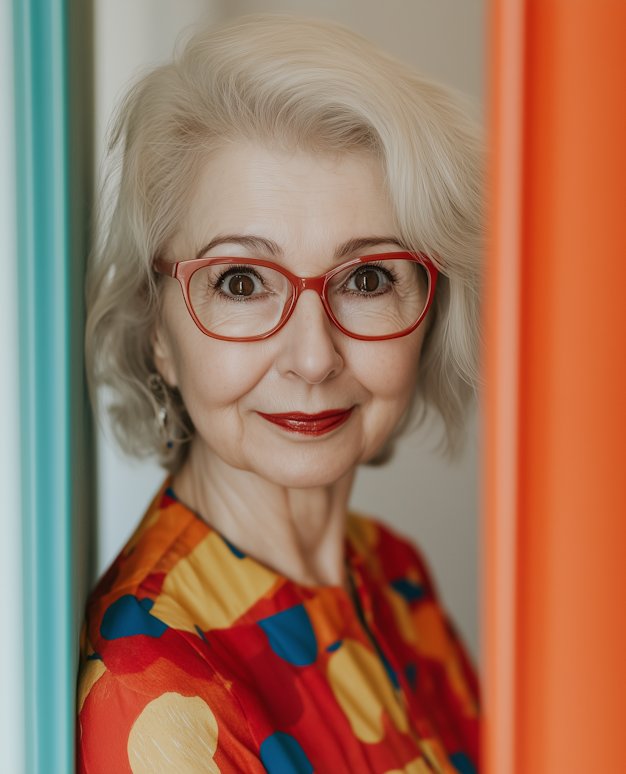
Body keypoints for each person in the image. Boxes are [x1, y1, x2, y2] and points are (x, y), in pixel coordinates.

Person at [78, 15, 482, 774]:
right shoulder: (155, 682)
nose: (313, 356)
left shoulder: (394, 572)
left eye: (368, 279)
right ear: (157, 328)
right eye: (241, 282)